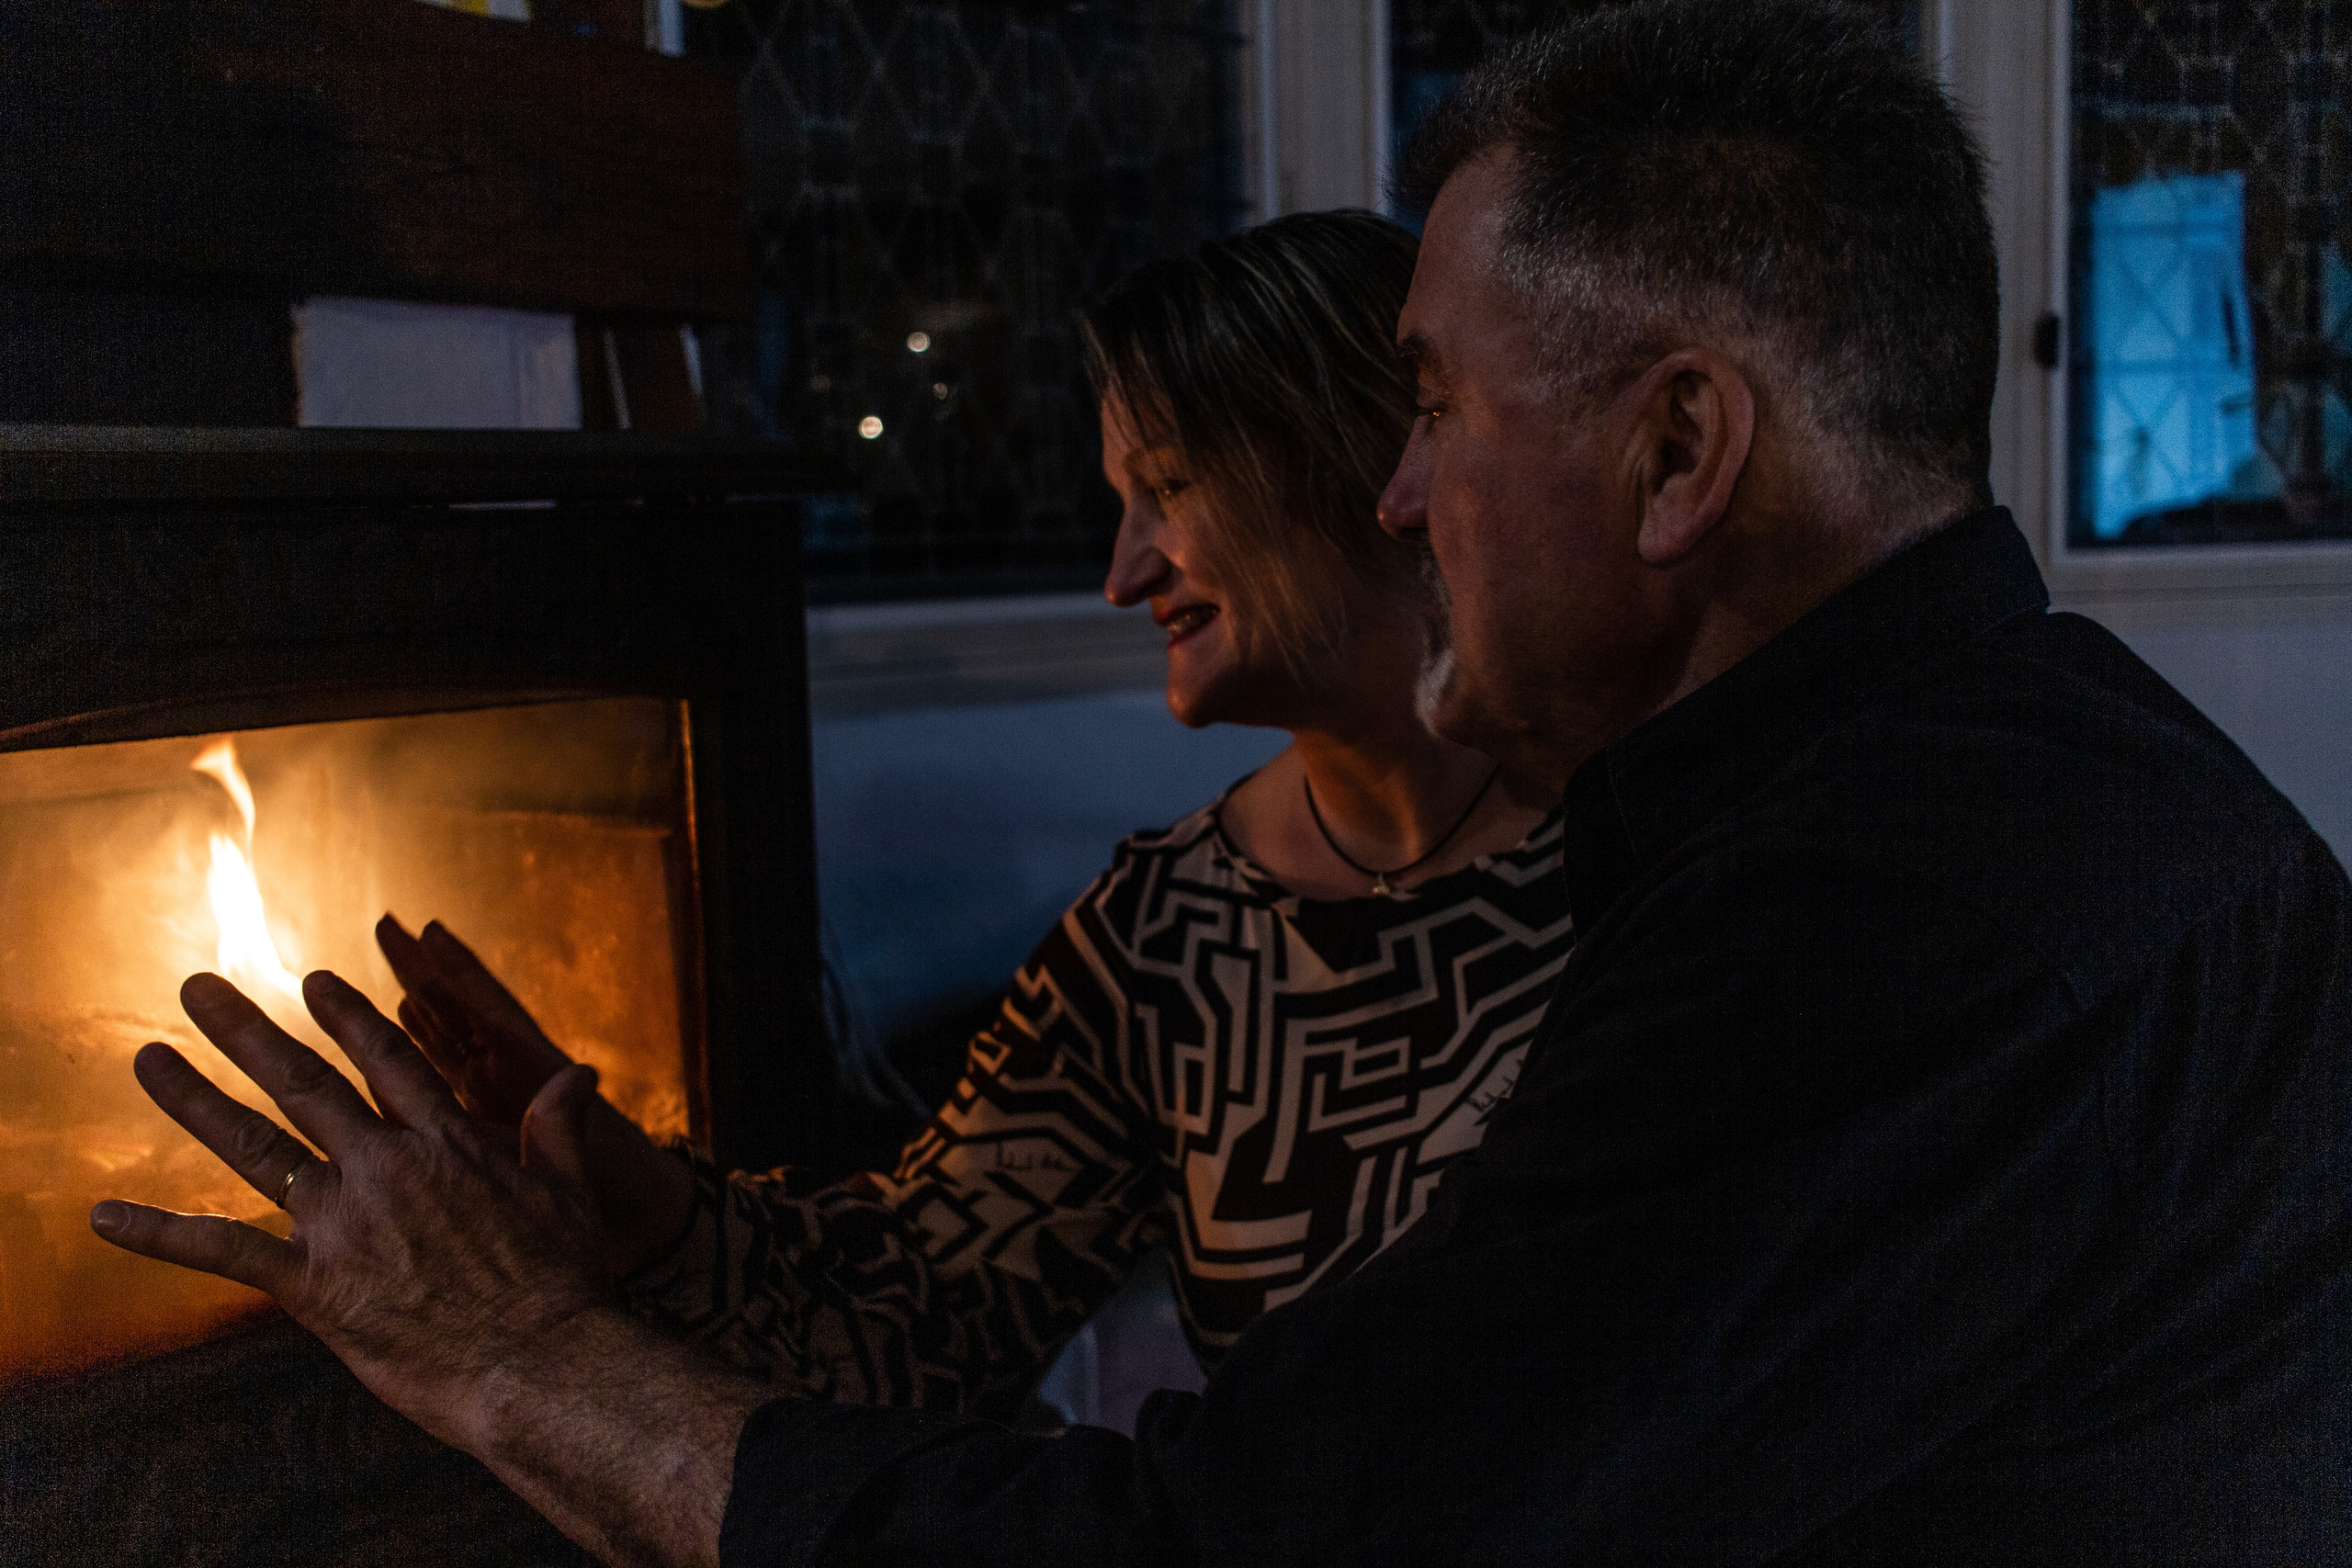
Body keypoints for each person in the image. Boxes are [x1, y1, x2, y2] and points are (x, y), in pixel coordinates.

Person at [92, 3, 2351, 1563]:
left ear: (1676, 448)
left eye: (1433, 409)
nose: (1404, 492)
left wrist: (510, 1355)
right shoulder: (2004, 783)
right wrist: (650, 1223)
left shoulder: (1855, 920)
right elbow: (942, 1309)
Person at [376, 209, 1567, 1424]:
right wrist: (636, 1194)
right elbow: (926, 1305)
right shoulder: (1163, 938)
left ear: (1365, 456)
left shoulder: (1638, 839)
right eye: (1123, 502)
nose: (1125, 575)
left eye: (1167, 488)